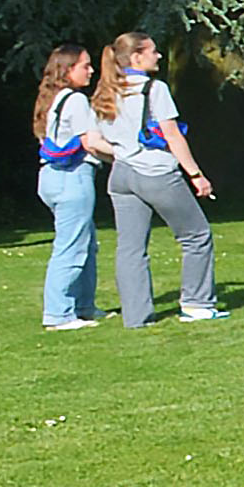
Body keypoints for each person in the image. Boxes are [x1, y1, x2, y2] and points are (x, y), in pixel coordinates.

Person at [88, 33, 222, 323]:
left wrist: (123, 153)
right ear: (136, 57)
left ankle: (136, 316)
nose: (159, 56)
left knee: (131, 248)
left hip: (121, 174)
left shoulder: (106, 90)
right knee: (196, 236)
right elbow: (172, 135)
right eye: (152, 51)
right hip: (156, 173)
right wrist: (196, 175)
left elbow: (93, 142)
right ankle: (198, 304)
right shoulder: (154, 88)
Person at [31, 45, 102, 329]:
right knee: (70, 246)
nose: (91, 70)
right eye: (85, 65)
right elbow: (91, 142)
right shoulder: (76, 100)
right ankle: (59, 313)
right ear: (67, 69)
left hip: (50, 177)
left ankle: (84, 305)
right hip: (72, 177)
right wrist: (124, 153)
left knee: (86, 242)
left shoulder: (50, 99)